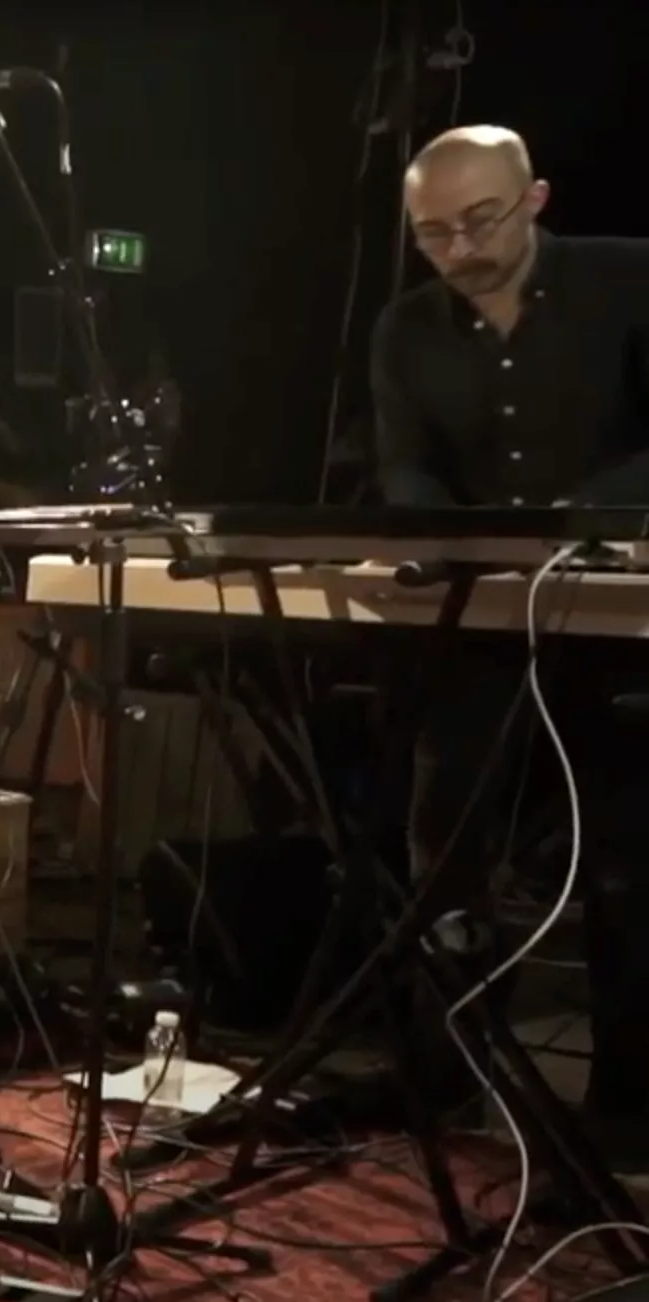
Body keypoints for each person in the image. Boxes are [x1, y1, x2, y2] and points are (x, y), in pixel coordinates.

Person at [370, 124, 649, 1167]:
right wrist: (430, 537)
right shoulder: (405, 329)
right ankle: (444, 1084)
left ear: (534, 198)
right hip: (482, 617)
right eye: (433, 232)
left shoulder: (630, 280)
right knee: (443, 845)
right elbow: (406, 465)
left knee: (628, 858)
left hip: (621, 616)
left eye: (480, 221)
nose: (459, 249)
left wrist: (577, 520)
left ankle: (631, 1108)